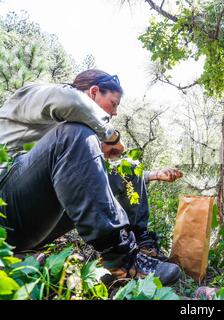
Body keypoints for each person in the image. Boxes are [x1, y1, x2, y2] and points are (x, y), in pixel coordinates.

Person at [0, 69, 182, 285]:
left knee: (127, 170)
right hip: (5, 210)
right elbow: (71, 101)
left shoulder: (72, 133)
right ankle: (120, 257)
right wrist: (112, 136)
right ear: (94, 91)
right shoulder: (35, 95)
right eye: (113, 104)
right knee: (74, 134)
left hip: (31, 230)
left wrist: (151, 175)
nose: (114, 113)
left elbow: (104, 179)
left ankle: (141, 251)